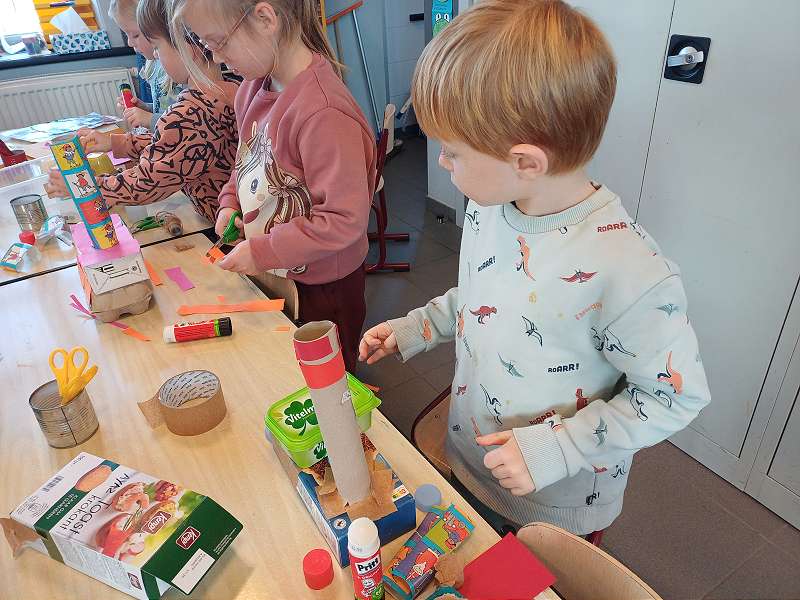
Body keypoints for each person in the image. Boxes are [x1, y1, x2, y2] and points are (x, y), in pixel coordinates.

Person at [359, 0, 711, 536]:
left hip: (552, 500)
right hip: (470, 455)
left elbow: (674, 395)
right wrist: (418, 327)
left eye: (452, 152)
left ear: (525, 162)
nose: (443, 162)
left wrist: (560, 447)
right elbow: (482, 294)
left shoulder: (631, 272)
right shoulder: (491, 207)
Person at [175, 0, 376, 372]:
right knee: (286, 368)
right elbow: (246, 161)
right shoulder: (251, 90)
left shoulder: (323, 112)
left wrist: (262, 251)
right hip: (279, 269)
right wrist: (230, 202)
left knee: (330, 378)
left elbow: (343, 220)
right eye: (207, 45)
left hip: (324, 286)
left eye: (219, 42)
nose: (216, 58)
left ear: (265, 18)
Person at [46, 0, 238, 223]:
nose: (155, 56)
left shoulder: (191, 112)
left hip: (227, 229)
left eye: (157, 47)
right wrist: (116, 143)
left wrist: (83, 185)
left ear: (188, 49)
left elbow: (147, 181)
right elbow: (177, 144)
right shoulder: (230, 89)